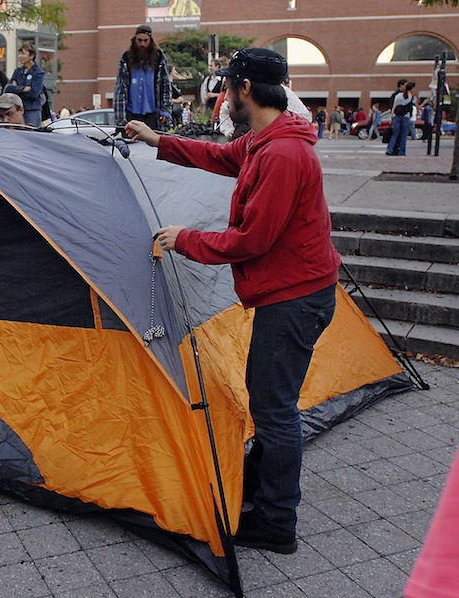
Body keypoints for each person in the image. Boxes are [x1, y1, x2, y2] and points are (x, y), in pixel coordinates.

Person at [126, 47, 340, 555]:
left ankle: (277, 519)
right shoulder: (266, 140)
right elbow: (222, 157)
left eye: (227, 88)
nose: (223, 98)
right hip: (292, 292)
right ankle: (259, 484)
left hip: (296, 297)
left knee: (274, 408)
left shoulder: (285, 154)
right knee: (269, 398)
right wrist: (160, 141)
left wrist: (185, 240)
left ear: (245, 89)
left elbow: (252, 240)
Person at [114, 24, 171, 134]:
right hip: (131, 113)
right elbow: (120, 89)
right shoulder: (126, 59)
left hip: (153, 113)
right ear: (134, 40)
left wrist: (165, 110)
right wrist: (120, 118)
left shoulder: (159, 58)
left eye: (145, 41)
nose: (142, 44)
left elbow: (165, 85)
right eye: (139, 40)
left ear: (150, 41)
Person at [4, 41, 45, 129]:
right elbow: (8, 88)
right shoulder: (18, 71)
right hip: (17, 110)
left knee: (31, 136)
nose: (20, 56)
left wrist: (16, 88)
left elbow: (34, 93)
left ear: (31, 55)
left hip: (32, 110)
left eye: (23, 53)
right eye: (19, 53)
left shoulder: (38, 73)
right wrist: (23, 88)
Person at [387, 81, 416, 156]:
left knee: (395, 134)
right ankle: (402, 151)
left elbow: (394, 106)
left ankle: (390, 149)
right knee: (403, 135)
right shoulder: (410, 96)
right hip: (405, 116)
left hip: (397, 116)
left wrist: (391, 117)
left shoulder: (398, 95)